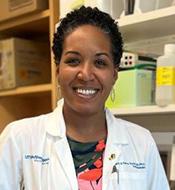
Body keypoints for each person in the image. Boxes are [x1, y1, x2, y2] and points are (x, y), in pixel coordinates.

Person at [0, 6, 170, 190]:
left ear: (114, 75)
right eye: (73, 61)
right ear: (58, 71)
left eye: (99, 62)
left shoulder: (142, 142)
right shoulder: (19, 139)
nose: (86, 74)